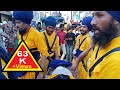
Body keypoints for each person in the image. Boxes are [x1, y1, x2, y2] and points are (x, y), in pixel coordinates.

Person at [13, 11, 50, 79]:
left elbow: (44, 53)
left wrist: (41, 73)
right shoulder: (19, 33)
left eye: (19, 22)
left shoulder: (37, 35)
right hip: (22, 68)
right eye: (16, 23)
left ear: (26, 23)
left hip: (33, 69)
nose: (16, 25)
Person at [88, 11, 120, 79]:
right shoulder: (102, 45)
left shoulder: (116, 60)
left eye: (100, 15)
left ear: (116, 20)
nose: (92, 22)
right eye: (93, 16)